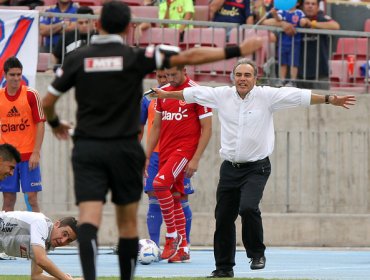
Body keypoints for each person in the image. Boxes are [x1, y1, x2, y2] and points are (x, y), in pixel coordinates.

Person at [41, 1, 262, 280]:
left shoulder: (77, 58)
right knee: (127, 223)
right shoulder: (137, 55)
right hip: (124, 149)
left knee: (88, 219)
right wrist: (238, 50)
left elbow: (48, 101)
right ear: (127, 28)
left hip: (88, 148)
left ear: (98, 25)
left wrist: (55, 123)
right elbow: (190, 56)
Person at [148, 58, 356, 278]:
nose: (242, 79)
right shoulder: (222, 95)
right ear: (233, 78)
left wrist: (329, 99)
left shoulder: (267, 96)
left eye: (247, 75)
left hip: (257, 168)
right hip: (229, 168)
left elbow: (298, 97)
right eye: (239, 75)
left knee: (247, 208)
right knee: (223, 217)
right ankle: (224, 268)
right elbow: (191, 95)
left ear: (256, 78)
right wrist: (165, 94)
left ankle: (256, 253)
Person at [145, 65, 212, 263]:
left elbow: (207, 129)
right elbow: (156, 126)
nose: (170, 78)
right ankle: (183, 249)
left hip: (184, 151)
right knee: (174, 197)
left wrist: (196, 158)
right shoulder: (162, 93)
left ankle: (172, 236)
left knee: (159, 185)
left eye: (174, 74)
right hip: (165, 151)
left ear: (184, 70)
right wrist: (146, 156)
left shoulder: (196, 92)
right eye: (167, 75)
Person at [140, 69, 195, 250]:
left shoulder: (188, 93)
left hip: (178, 153)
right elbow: (142, 128)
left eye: (168, 76)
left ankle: (182, 244)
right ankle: (154, 246)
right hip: (156, 154)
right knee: (154, 198)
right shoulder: (149, 98)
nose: (165, 81)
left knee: (179, 196)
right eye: (161, 77)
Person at [0, 57, 45, 213]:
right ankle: (5, 237)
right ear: (5, 75)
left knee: (32, 198)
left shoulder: (31, 94)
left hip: (28, 157)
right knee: (8, 200)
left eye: (19, 74)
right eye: (12, 75)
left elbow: (40, 123)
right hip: (7, 158)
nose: (16, 78)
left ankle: (38, 236)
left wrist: (36, 152)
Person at [263, 0, 340, 89]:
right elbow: (266, 22)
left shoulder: (321, 17)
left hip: (320, 74)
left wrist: (312, 24)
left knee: (323, 101)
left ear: (318, 7)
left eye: (313, 4)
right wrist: (283, 24)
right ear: (302, 5)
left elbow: (335, 26)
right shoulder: (295, 16)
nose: (310, 6)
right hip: (298, 75)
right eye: (307, 3)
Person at [0, 211, 81, 280]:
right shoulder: (41, 223)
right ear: (57, 224)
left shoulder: (44, 244)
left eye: (68, 240)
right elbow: (41, 260)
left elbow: (36, 276)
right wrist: (66, 279)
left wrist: (66, 278)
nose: (63, 241)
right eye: (64, 234)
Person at [270, 5, 307, 86]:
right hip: (283, 43)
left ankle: (293, 81)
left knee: (294, 62)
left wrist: (304, 21)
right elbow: (278, 18)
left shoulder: (299, 12)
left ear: (297, 3)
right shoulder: (282, 11)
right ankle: (282, 80)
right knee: (282, 62)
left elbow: (303, 21)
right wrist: (274, 14)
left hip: (295, 43)